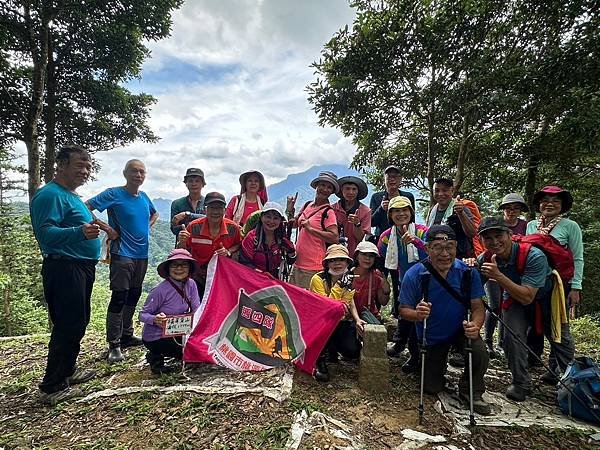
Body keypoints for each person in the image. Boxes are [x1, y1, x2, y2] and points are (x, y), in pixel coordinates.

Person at [30, 145, 101, 405]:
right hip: (63, 267)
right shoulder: (49, 195)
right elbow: (45, 234)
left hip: (80, 266)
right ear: (61, 166)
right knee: (67, 324)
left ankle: (68, 370)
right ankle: (52, 386)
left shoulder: (71, 195)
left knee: (78, 321)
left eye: (88, 167)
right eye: (79, 166)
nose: (85, 171)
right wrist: (79, 233)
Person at [477, 217, 575, 401]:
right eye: (487, 238)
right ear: (482, 241)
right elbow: (472, 289)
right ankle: (521, 382)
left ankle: (572, 383)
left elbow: (528, 295)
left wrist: (498, 276)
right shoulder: (486, 258)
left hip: (546, 298)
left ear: (510, 235)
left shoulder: (533, 255)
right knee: (511, 337)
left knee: (561, 339)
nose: (494, 242)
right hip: (514, 299)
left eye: (499, 235)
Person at [399, 225, 491, 415]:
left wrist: (476, 325)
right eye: (438, 247)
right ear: (426, 248)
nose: (445, 253)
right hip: (431, 334)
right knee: (432, 387)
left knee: (480, 351)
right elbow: (403, 309)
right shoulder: (415, 274)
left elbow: (477, 307)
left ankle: (471, 390)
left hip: (460, 329)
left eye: (450, 247)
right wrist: (417, 314)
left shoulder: (467, 273)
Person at [86, 159, 158, 363]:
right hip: (122, 254)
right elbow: (85, 207)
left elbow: (155, 213)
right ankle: (114, 344)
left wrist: (147, 225)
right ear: (125, 173)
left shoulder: (143, 196)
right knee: (119, 296)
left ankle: (127, 335)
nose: (138, 175)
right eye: (134, 171)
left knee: (134, 294)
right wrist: (107, 228)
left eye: (142, 172)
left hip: (142, 254)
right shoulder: (114, 193)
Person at [526, 185, 583, 381]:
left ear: (562, 205)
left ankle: (566, 372)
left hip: (559, 284)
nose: (549, 204)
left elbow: (577, 257)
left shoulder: (570, 226)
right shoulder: (532, 225)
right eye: (545, 200)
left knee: (559, 325)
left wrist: (576, 287)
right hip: (535, 284)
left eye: (555, 201)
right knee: (538, 323)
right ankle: (552, 369)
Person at [379, 196, 428, 373]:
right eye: (396, 211)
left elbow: (436, 254)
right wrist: (383, 279)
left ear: (411, 212)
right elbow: (382, 260)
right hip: (404, 281)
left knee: (419, 317)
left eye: (405, 210)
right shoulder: (386, 238)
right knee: (404, 312)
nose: (401, 214)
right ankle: (400, 344)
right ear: (390, 215)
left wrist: (416, 242)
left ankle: (416, 356)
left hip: (426, 281)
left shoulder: (423, 232)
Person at [139, 249, 201, 375]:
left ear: (189, 268)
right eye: (174, 265)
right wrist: (155, 319)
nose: (179, 268)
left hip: (177, 330)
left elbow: (197, 309)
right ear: (168, 268)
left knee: (199, 349)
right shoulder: (160, 290)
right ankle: (155, 356)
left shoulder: (192, 284)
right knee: (188, 353)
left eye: (183, 265)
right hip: (156, 337)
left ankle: (157, 353)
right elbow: (142, 314)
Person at [310, 244, 364, 382]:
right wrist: (340, 285)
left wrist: (357, 319)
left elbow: (346, 304)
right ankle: (319, 360)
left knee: (352, 351)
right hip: (320, 322)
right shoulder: (317, 279)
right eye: (333, 260)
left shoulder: (350, 280)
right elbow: (327, 307)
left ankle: (332, 347)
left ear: (347, 262)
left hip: (340, 321)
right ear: (327, 263)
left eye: (341, 259)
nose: (337, 263)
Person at [484, 193, 530, 357]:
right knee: (495, 305)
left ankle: (502, 343)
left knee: (507, 306)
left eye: (516, 208)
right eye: (508, 208)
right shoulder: (495, 224)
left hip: (514, 273)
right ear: (503, 209)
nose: (512, 211)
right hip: (493, 270)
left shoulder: (526, 226)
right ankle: (487, 340)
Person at [369, 165, 416, 318]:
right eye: (389, 177)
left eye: (395, 176)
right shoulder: (377, 197)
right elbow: (371, 222)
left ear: (401, 179)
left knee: (399, 279)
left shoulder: (408, 196)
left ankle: (398, 313)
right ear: (384, 180)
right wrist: (381, 209)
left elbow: (412, 219)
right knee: (379, 278)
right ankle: (375, 312)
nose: (392, 179)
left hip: (403, 243)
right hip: (383, 244)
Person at [178, 191, 242, 296]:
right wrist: (182, 241)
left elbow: (239, 245)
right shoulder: (193, 227)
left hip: (222, 277)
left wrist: (228, 251)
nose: (215, 212)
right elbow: (181, 251)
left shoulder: (233, 228)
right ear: (205, 210)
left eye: (219, 208)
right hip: (197, 278)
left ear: (224, 210)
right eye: (212, 208)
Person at [288, 171, 339, 289]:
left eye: (329, 187)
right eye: (322, 185)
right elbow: (294, 224)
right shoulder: (307, 205)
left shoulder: (328, 212)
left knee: (306, 302)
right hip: (297, 262)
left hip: (313, 266)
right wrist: (290, 210)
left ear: (332, 192)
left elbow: (334, 237)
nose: (325, 189)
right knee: (293, 300)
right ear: (317, 186)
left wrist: (311, 229)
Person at [239, 202, 296, 278]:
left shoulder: (281, 239)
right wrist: (261, 273)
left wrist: (291, 251)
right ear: (261, 217)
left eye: (275, 218)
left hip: (274, 279)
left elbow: (290, 261)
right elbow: (244, 262)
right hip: (253, 278)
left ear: (280, 221)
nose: (271, 221)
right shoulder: (251, 238)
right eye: (268, 217)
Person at [425, 178, 476, 259]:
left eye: (445, 190)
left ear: (452, 191)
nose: (440, 194)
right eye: (437, 190)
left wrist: (461, 213)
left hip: (460, 258)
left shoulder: (460, 207)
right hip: (438, 259)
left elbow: (472, 233)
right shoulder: (432, 211)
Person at [351, 241, 391, 323]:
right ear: (357, 256)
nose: (367, 258)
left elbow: (383, 302)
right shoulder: (348, 274)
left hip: (368, 317)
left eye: (371, 256)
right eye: (364, 254)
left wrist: (386, 291)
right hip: (350, 317)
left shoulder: (376, 275)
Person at [332, 176, 372, 255]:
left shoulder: (365, 211)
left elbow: (361, 238)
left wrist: (357, 224)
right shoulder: (332, 209)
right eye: (347, 189)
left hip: (355, 253)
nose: (350, 192)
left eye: (354, 189)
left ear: (358, 192)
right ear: (341, 190)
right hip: (334, 253)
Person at [170, 168, 207, 240]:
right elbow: (174, 229)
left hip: (204, 246)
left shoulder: (208, 203)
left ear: (202, 184)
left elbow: (212, 221)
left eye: (197, 181)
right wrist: (199, 223)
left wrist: (187, 215)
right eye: (190, 181)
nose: (194, 184)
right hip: (183, 246)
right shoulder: (177, 203)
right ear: (186, 184)